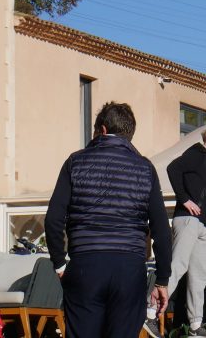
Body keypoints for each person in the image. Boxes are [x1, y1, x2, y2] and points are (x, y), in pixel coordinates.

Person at [45, 102, 173, 338]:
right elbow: (162, 231)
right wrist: (162, 279)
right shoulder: (145, 168)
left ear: (102, 130)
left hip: (86, 264)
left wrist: (60, 263)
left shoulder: (75, 162)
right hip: (129, 269)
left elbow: (53, 219)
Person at [145, 125, 206, 337]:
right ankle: (149, 312)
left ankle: (195, 325)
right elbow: (172, 168)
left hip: (200, 225)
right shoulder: (196, 154)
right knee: (177, 266)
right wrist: (184, 199)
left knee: (199, 275)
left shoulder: (204, 162)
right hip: (188, 222)